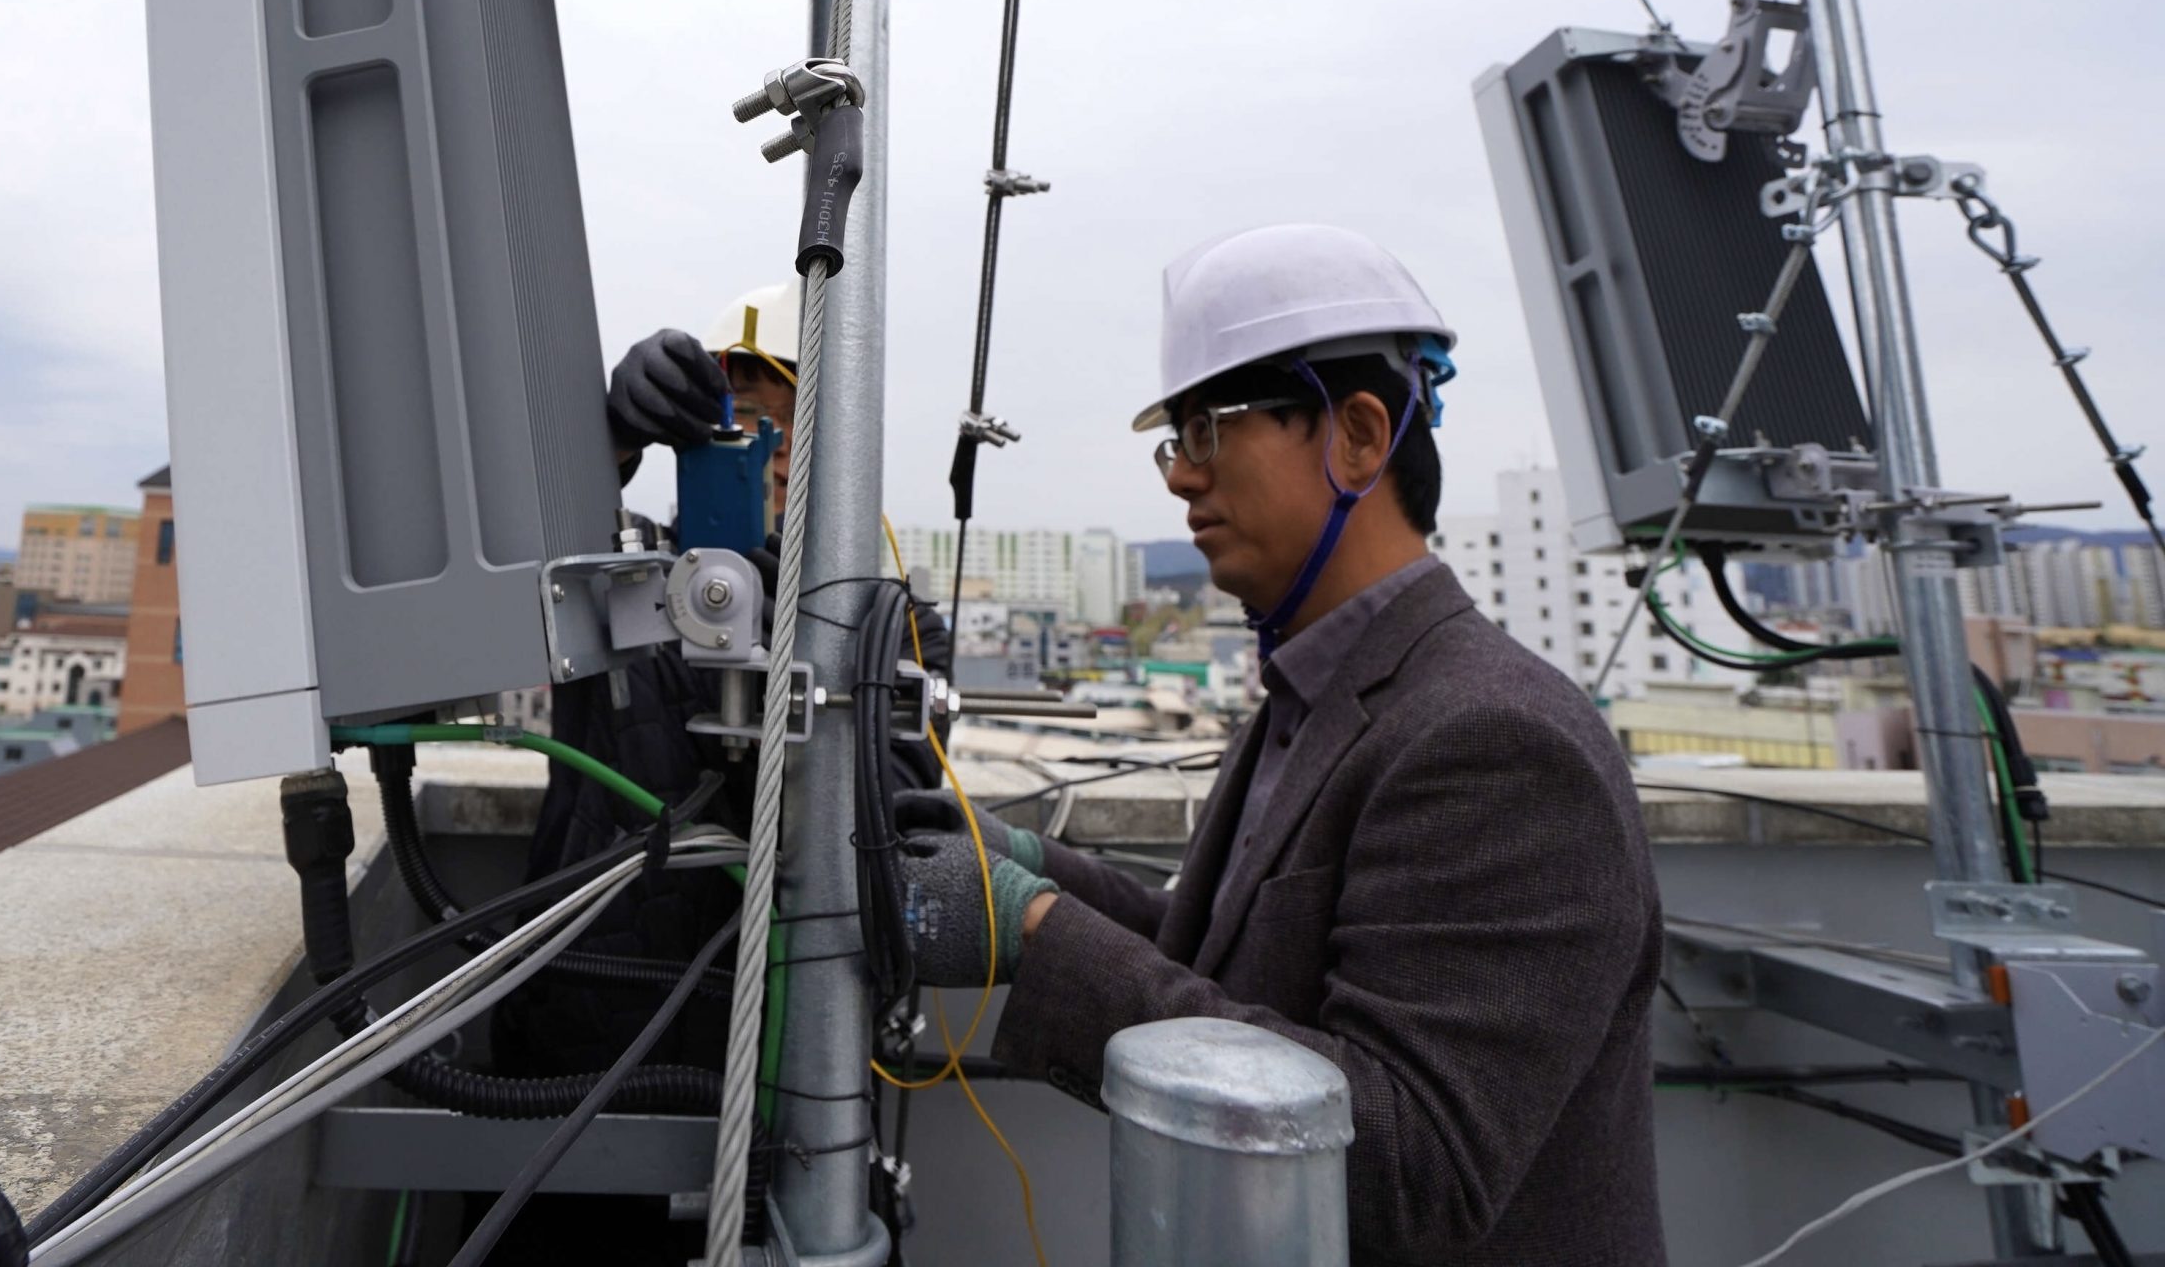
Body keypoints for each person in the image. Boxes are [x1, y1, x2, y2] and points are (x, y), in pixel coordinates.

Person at [896, 224, 1666, 1266]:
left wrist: (1034, 927)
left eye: (1208, 431)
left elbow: (1408, 1167)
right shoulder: (1321, 695)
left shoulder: (1493, 740)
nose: (1179, 479)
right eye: (1175, 442)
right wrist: (1022, 864)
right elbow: (1218, 954)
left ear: (1356, 434)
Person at [497, 279, 943, 1080]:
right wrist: (606, 450)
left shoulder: (892, 631)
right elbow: (507, 571)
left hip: (788, 1067)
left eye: (794, 424)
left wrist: (795, 628)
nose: (774, 450)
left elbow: (887, 833)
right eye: (742, 425)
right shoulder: (623, 577)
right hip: (579, 1045)